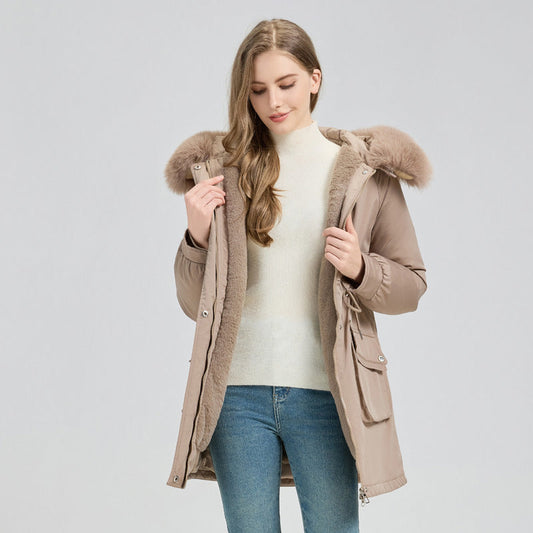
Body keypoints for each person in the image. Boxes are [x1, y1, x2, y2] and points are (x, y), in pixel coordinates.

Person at [164, 18, 432, 533]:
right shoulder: (224, 172)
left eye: (286, 84)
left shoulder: (365, 174)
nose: (273, 102)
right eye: (258, 90)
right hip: (237, 395)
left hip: (327, 394)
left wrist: (361, 269)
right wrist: (196, 238)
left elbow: (412, 286)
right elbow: (195, 305)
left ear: (314, 78)